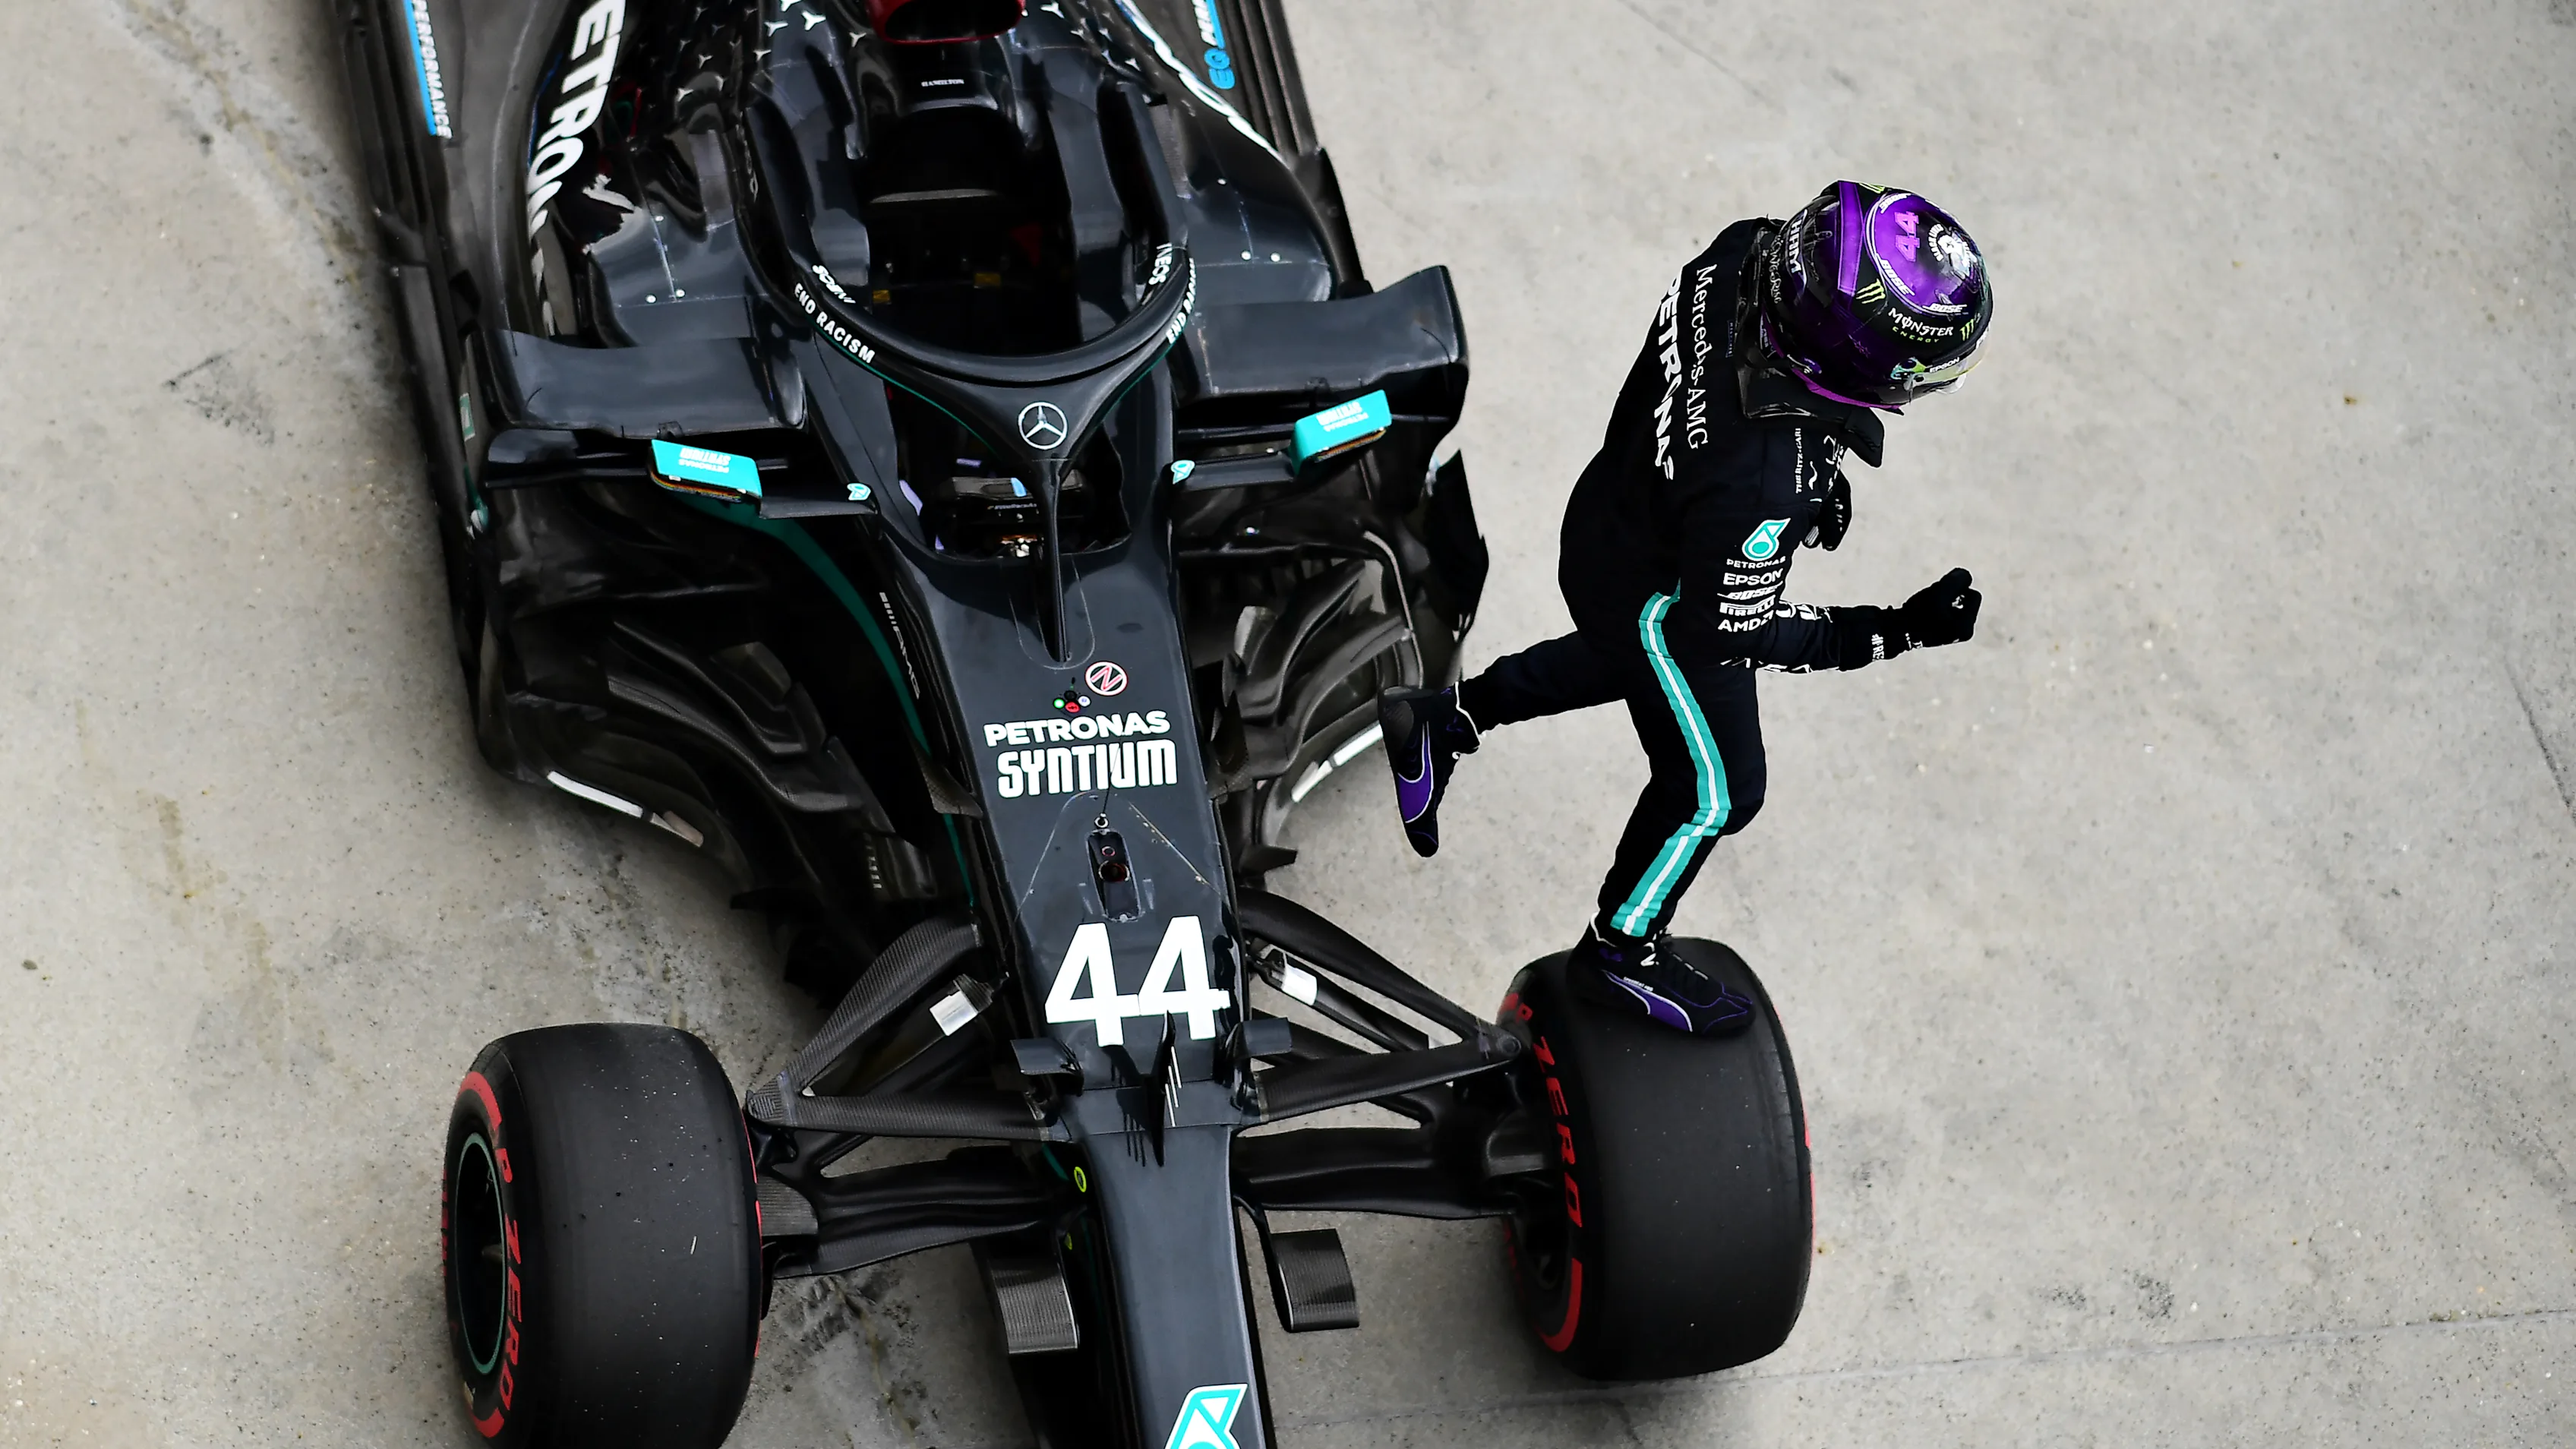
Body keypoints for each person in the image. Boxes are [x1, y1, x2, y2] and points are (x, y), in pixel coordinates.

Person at [1380, 181, 1992, 1036]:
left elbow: (1715, 397)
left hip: (1610, 514)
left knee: (1625, 659)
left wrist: (1811, 471)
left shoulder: (1743, 250)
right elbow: (1731, 635)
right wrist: (1892, 630)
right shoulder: (1762, 488)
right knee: (1719, 789)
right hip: (1660, 590)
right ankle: (1619, 951)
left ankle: (1443, 720)